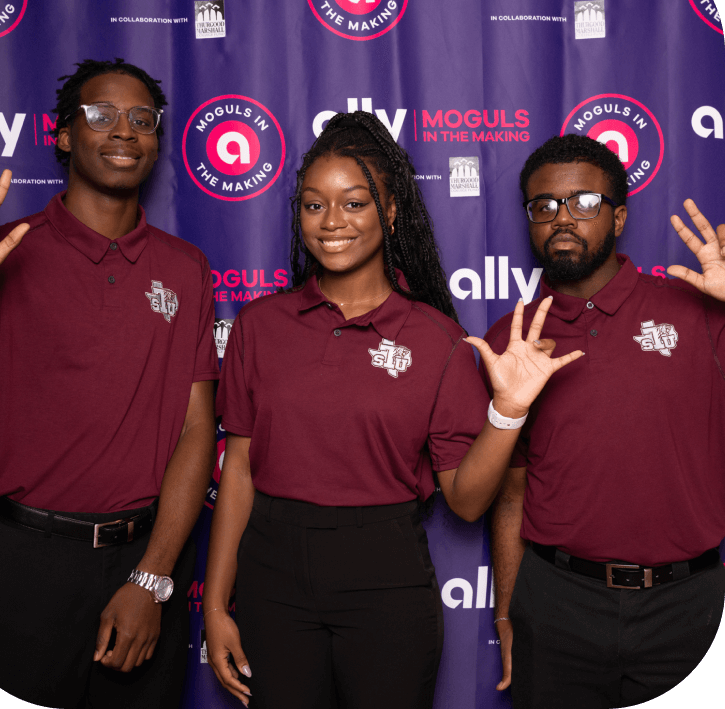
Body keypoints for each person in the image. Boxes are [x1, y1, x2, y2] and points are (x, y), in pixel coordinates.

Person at [202, 112, 583, 709]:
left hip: (384, 573)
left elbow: (466, 501)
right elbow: (241, 471)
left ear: (393, 211)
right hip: (271, 572)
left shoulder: (438, 340)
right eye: (313, 205)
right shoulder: (259, 325)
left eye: (355, 203)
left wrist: (507, 411)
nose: (331, 223)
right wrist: (217, 604)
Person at [0, 59, 219, 708]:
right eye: (101, 115)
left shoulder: (185, 270)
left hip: (144, 555)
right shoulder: (7, 253)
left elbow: (195, 427)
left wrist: (151, 579)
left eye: (141, 119)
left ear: (157, 140)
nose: (123, 131)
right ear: (63, 134)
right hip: (27, 564)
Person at [487, 134, 725, 709]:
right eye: (544, 205)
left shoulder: (698, 310)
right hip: (556, 601)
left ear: (618, 218)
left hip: (688, 603)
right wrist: (507, 612)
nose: (563, 218)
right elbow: (512, 491)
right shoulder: (511, 340)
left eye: (584, 203)